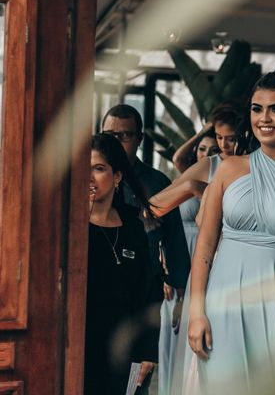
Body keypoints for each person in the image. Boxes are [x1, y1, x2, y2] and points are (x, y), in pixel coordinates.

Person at [185, 67, 275, 392]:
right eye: (257, 108)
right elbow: (205, 247)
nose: (265, 117)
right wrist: (196, 311)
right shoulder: (228, 169)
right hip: (225, 305)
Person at [150, 104, 240, 395]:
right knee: (198, 342)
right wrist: (194, 186)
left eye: (233, 137)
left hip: (237, 261)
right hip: (201, 260)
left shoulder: (252, 168)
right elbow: (154, 206)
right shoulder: (208, 166)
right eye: (221, 137)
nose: (227, 144)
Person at [102, 104, 191, 389]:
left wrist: (180, 293)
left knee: (137, 375)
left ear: (139, 138)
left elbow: (175, 241)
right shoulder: (87, 179)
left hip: (144, 288)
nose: (116, 142)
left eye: (124, 136)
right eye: (109, 135)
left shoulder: (156, 182)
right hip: (100, 287)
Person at [86, 133, 157, 394]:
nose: (89, 177)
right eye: (84, 169)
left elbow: (149, 291)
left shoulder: (133, 225)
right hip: (81, 344)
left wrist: (148, 351)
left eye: (99, 168)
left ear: (116, 177)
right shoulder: (70, 228)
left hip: (124, 348)